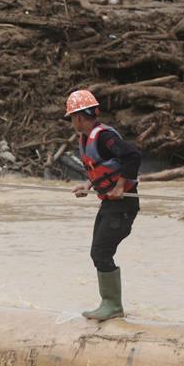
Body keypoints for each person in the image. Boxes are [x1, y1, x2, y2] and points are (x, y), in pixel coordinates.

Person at [64, 89, 142, 321]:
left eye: (71, 117)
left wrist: (119, 187)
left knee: (101, 252)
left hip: (124, 205)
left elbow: (133, 156)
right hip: (109, 205)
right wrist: (88, 186)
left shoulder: (105, 138)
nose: (71, 122)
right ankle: (109, 304)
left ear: (78, 117)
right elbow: (100, 167)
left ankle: (113, 306)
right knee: (97, 252)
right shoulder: (87, 138)